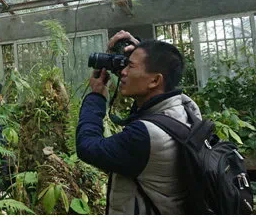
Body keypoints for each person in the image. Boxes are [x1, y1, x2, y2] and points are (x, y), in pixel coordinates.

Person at [76, 30, 202, 214]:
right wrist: (141, 50)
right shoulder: (187, 108)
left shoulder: (145, 136)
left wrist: (96, 97)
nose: (122, 72)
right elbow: (151, 100)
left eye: (130, 67)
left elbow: (87, 146)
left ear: (155, 80)